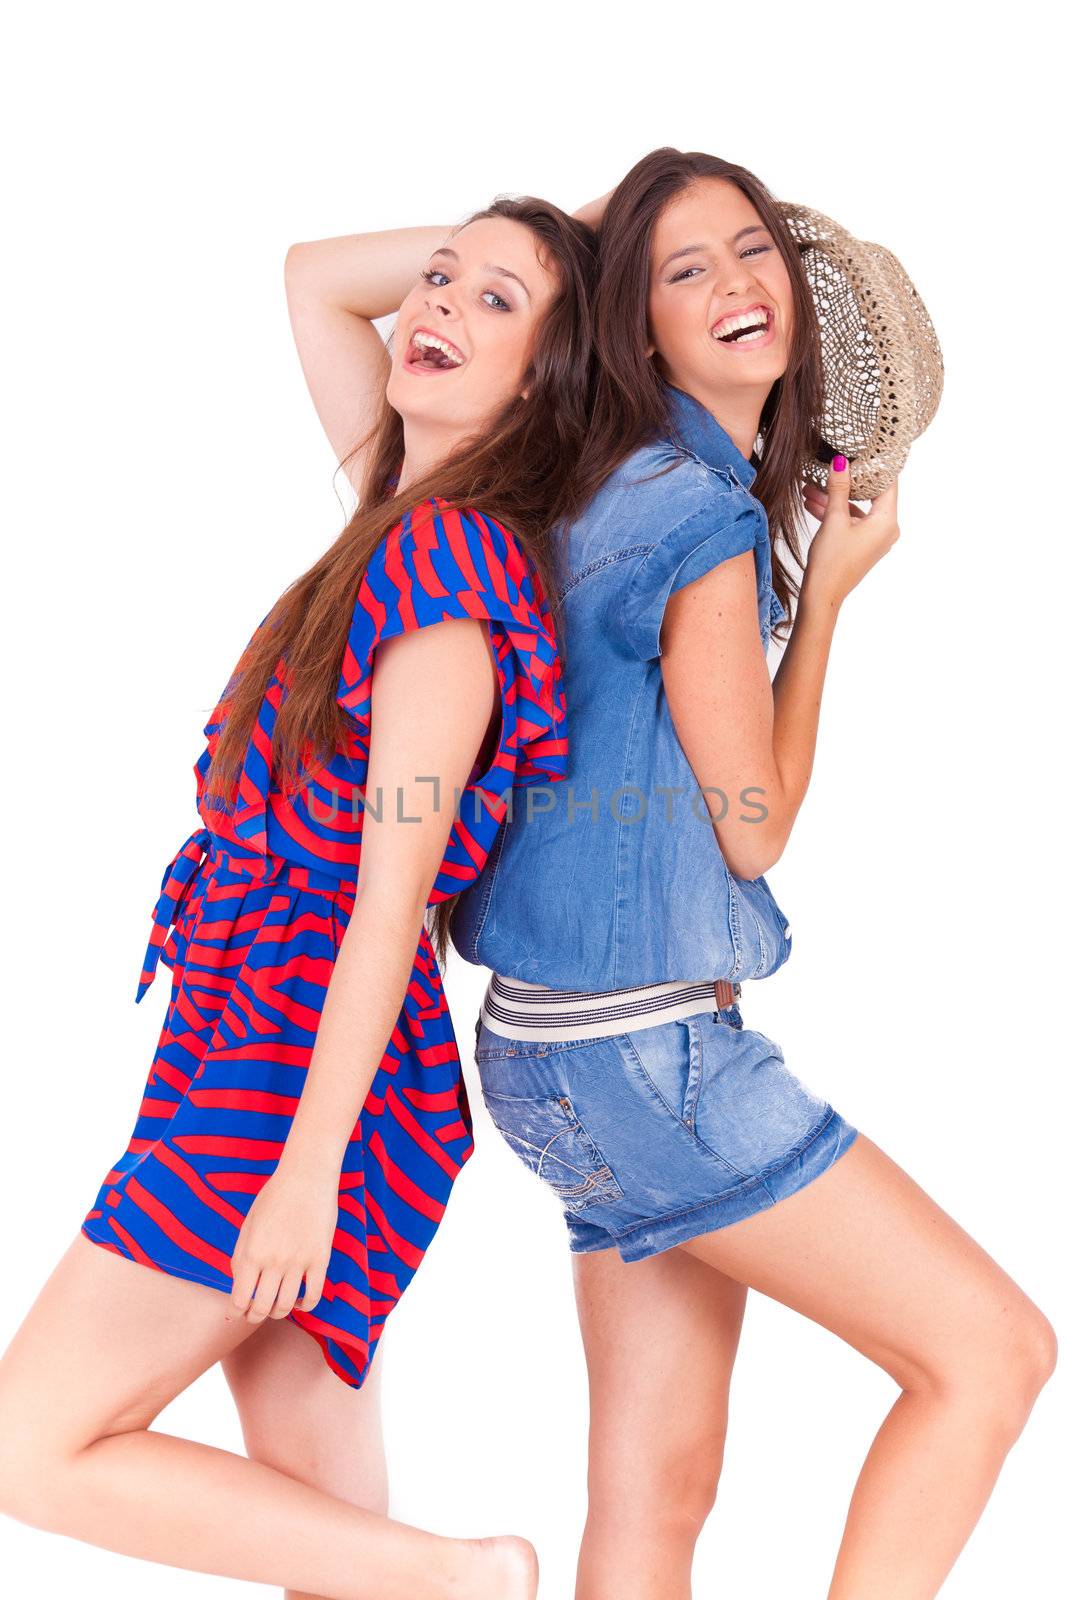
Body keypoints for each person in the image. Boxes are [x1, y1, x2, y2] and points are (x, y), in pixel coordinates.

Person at [452, 149, 1058, 1599]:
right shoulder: (695, 512)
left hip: (542, 1057)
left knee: (654, 1493)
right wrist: (831, 599)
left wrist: (621, 243)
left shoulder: (574, 476)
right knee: (991, 1356)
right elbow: (754, 823)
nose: (736, 286)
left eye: (752, 253)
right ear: (628, 321)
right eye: (681, 269)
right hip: (647, 1051)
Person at [0, 196, 595, 1600]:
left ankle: (473, 1579)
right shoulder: (399, 512)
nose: (436, 304)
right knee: (330, 1542)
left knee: (29, 1446)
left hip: (291, 1077)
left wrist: (307, 1177)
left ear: (549, 386)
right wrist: (541, 232)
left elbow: (389, 902)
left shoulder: (451, 581)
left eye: (494, 305)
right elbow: (317, 278)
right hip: (250, 1037)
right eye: (441, 279)